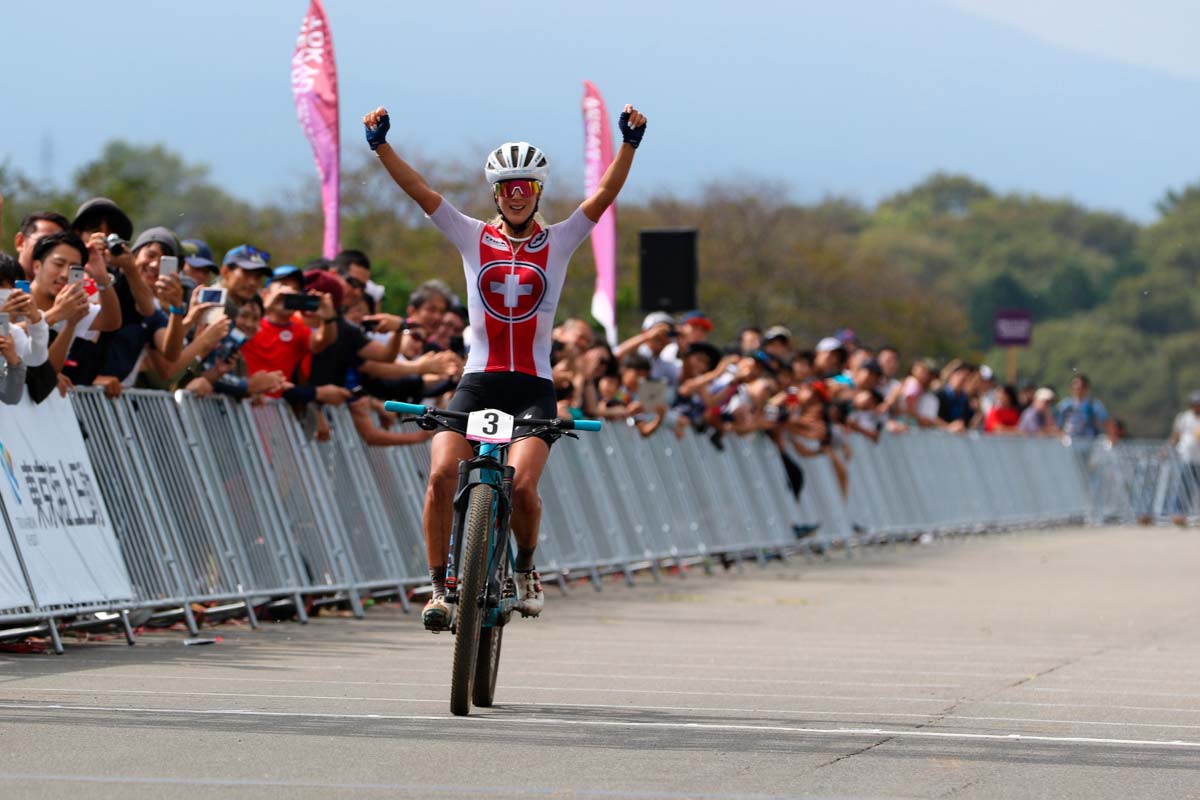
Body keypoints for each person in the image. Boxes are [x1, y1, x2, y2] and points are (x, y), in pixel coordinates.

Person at [363, 100, 647, 629]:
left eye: (527, 188)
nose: (517, 196)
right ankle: (438, 586)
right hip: (478, 382)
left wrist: (628, 143)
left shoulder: (559, 241)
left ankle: (526, 569)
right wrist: (381, 146)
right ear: (496, 194)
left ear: (537, 193)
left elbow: (604, 196)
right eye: (508, 188)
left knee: (520, 487)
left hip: (532, 388)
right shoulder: (473, 235)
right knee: (443, 474)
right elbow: (420, 192)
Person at [1056, 374, 1108, 438]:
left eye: (1080, 387)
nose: (1077, 389)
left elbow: (1105, 422)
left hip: (1088, 440)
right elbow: (1057, 424)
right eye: (1075, 386)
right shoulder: (1064, 404)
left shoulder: (1094, 405)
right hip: (1068, 440)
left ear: (1086, 388)